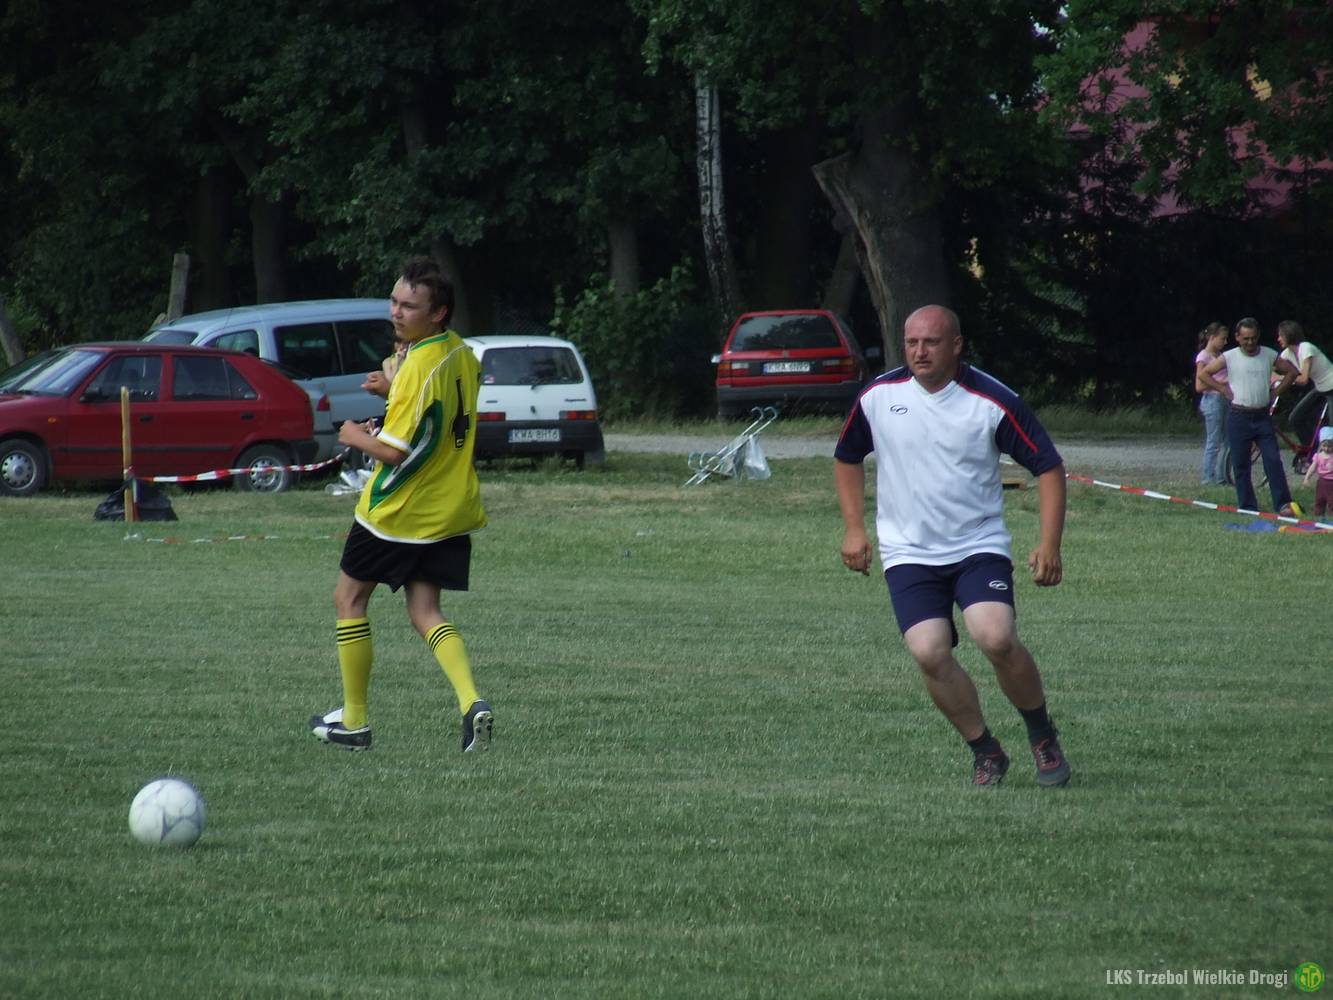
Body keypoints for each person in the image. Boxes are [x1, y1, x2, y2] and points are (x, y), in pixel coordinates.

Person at [834, 304, 1070, 788]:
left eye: (932, 342)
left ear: (956, 345)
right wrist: (854, 528)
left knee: (995, 636)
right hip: (908, 551)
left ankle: (1042, 735)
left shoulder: (991, 400)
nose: (920, 351)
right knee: (928, 651)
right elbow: (847, 457)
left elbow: (1048, 467)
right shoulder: (878, 396)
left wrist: (1050, 544)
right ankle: (985, 750)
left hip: (976, 544)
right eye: (912, 342)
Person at [309, 256, 494, 752]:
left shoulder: (417, 369)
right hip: (448, 509)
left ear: (438, 313)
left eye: (409, 306)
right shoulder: (461, 353)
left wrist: (354, 434)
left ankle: (355, 720)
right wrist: (394, 390)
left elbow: (394, 452)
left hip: (397, 511)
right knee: (425, 611)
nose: (397, 312)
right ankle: (472, 701)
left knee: (349, 600)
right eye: (394, 301)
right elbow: (435, 418)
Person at [1197, 318, 1300, 516]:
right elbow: (1204, 374)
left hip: (1262, 416)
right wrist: (1222, 389)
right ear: (1237, 337)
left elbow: (1292, 372)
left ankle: (1283, 504)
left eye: (1253, 338)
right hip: (1239, 416)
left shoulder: (1269, 354)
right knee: (1241, 464)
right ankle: (1247, 506)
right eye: (1245, 339)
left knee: (1273, 460)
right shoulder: (1229, 356)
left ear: (1258, 336)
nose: (1250, 342)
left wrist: (1276, 392)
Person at [1276, 321, 1333, 454]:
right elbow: (1274, 367)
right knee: (1295, 418)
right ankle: (1313, 452)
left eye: (1281, 336)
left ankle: (1329, 456)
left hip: (1331, 386)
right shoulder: (1287, 354)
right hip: (1320, 388)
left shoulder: (1306, 348)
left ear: (1289, 335)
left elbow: (1303, 379)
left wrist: (1280, 378)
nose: (1278, 339)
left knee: (1331, 428)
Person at [1195, 322, 1230, 484]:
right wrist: (1221, 384)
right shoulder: (1203, 357)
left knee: (1229, 441)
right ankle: (1208, 478)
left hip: (1225, 399)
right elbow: (1199, 385)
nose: (1225, 342)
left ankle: (1223, 477)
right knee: (1214, 440)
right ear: (1212, 337)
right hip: (1213, 400)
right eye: (1222, 338)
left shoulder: (1220, 357)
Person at [1302, 426, 1333, 517]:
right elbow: (1312, 467)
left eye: (1329, 446)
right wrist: (1307, 478)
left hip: (1332, 482)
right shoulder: (1318, 456)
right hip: (1321, 481)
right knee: (1319, 499)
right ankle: (1319, 515)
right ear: (1321, 445)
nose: (1326, 448)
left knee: (1332, 500)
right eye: (1324, 446)